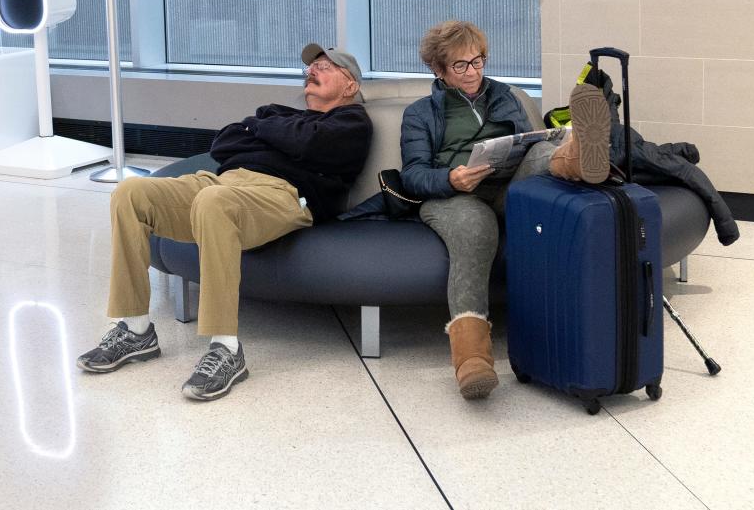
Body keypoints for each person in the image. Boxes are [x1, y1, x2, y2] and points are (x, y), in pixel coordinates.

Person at [77, 44, 373, 401]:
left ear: (351, 85)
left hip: (283, 195)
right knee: (131, 193)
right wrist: (274, 133)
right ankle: (136, 328)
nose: (312, 72)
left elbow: (309, 145)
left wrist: (260, 130)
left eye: (324, 66)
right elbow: (224, 142)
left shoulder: (352, 122)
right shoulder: (275, 112)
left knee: (214, 202)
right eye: (310, 68)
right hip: (220, 181)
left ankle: (226, 348)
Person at [400, 20, 608, 400]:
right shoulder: (420, 113)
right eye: (461, 65)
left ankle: (579, 155)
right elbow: (412, 175)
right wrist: (451, 178)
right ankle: (471, 359)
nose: (473, 72)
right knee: (477, 228)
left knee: (543, 151)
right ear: (438, 69)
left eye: (478, 61)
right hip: (454, 196)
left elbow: (529, 144)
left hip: (506, 185)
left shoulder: (505, 96)